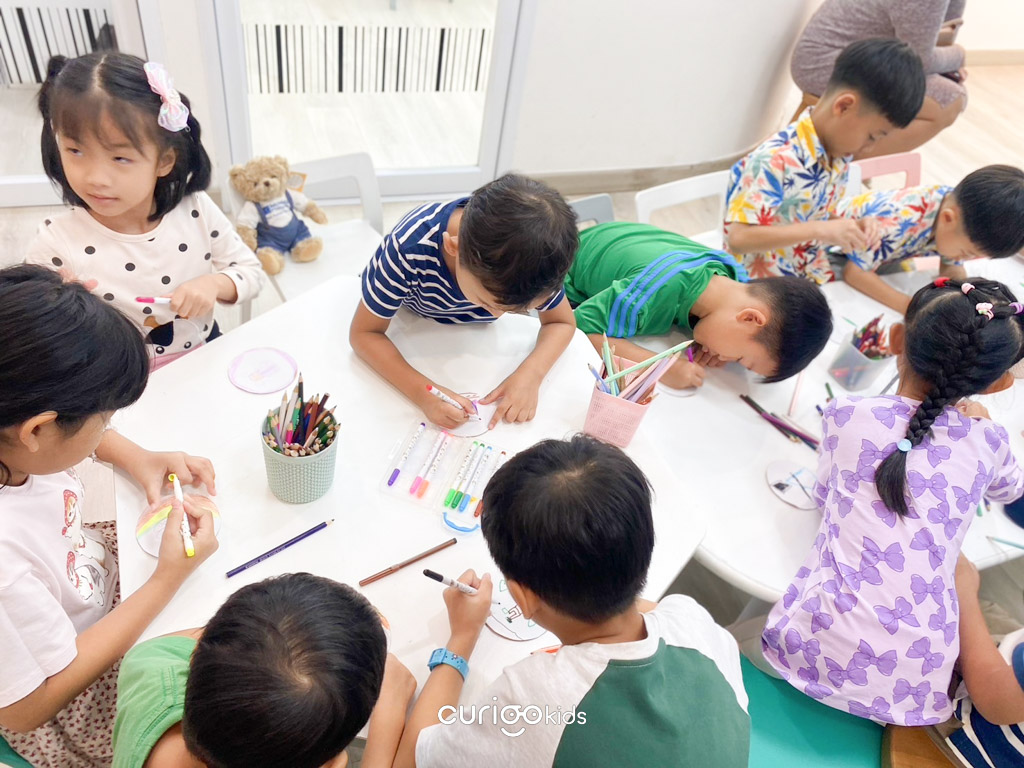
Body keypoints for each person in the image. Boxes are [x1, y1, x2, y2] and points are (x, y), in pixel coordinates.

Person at [395, 435, 750, 768]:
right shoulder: (693, 620)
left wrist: (461, 638)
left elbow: (414, 759)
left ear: (522, 598)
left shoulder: (534, 697)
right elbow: (651, 611)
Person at [761, 278, 1024, 726]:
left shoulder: (846, 414)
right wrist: (981, 429)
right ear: (998, 385)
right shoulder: (990, 442)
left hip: (805, 650)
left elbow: (824, 496)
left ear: (896, 338)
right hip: (913, 689)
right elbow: (1011, 491)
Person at [0, 265, 219, 767]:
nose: (106, 431)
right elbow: (26, 709)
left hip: (85, 578)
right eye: (104, 421)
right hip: (72, 691)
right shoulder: (5, 568)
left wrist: (136, 456)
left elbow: (61, 429)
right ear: (37, 430)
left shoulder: (15, 435)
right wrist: (165, 581)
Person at [25, 52, 263, 369]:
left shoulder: (195, 210)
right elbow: (35, 330)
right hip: (119, 378)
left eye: (120, 158)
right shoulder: (56, 241)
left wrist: (214, 284)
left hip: (203, 352)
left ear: (165, 161)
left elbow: (250, 272)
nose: (95, 178)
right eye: (75, 150)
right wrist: (66, 307)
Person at [112, 573, 416, 768]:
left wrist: (296, 630)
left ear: (194, 660)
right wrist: (388, 717)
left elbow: (193, 644)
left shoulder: (151, 666)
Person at [350, 173, 578, 430]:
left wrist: (532, 374)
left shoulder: (534, 268)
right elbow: (364, 334)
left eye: (518, 310)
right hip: (408, 321)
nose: (498, 315)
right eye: (487, 302)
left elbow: (561, 322)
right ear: (453, 248)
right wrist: (423, 393)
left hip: (471, 345)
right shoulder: (406, 250)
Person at [724, 38, 926, 283]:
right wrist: (821, 230)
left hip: (809, 273)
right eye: (872, 136)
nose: (870, 147)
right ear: (844, 106)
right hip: (762, 287)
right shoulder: (775, 160)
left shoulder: (837, 156)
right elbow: (739, 238)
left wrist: (848, 226)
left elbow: (805, 213)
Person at [564, 221, 832, 387]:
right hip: (563, 268)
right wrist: (660, 368)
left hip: (615, 236)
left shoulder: (732, 273)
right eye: (740, 359)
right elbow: (578, 330)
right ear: (749, 318)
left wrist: (712, 336)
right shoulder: (655, 289)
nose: (725, 360)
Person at [791, 0, 968, 158]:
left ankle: (844, 159)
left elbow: (942, 35)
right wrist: (959, 55)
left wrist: (949, 65)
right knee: (949, 99)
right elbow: (921, 59)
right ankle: (837, 163)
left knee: (949, 91)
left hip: (861, 57)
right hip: (825, 62)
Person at [839, 165, 1024, 312]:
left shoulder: (957, 214)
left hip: (882, 256)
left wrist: (962, 292)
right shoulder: (900, 220)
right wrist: (912, 308)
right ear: (948, 218)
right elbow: (854, 273)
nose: (964, 260)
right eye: (966, 253)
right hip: (836, 252)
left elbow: (951, 264)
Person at [935, 555, 1024, 767]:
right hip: (1008, 668)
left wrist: (965, 593)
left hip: (977, 738)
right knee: (987, 609)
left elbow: (994, 699)